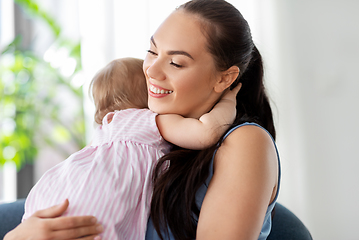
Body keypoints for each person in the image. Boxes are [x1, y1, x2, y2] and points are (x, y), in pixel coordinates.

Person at [4, 0, 280, 240]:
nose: (151, 70)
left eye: (176, 63)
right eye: (152, 52)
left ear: (225, 78)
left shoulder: (245, 143)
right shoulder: (145, 137)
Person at [20, 57, 239, 240]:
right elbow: (206, 132)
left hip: (54, 199)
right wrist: (228, 101)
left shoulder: (106, 129)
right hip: (97, 213)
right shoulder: (148, 119)